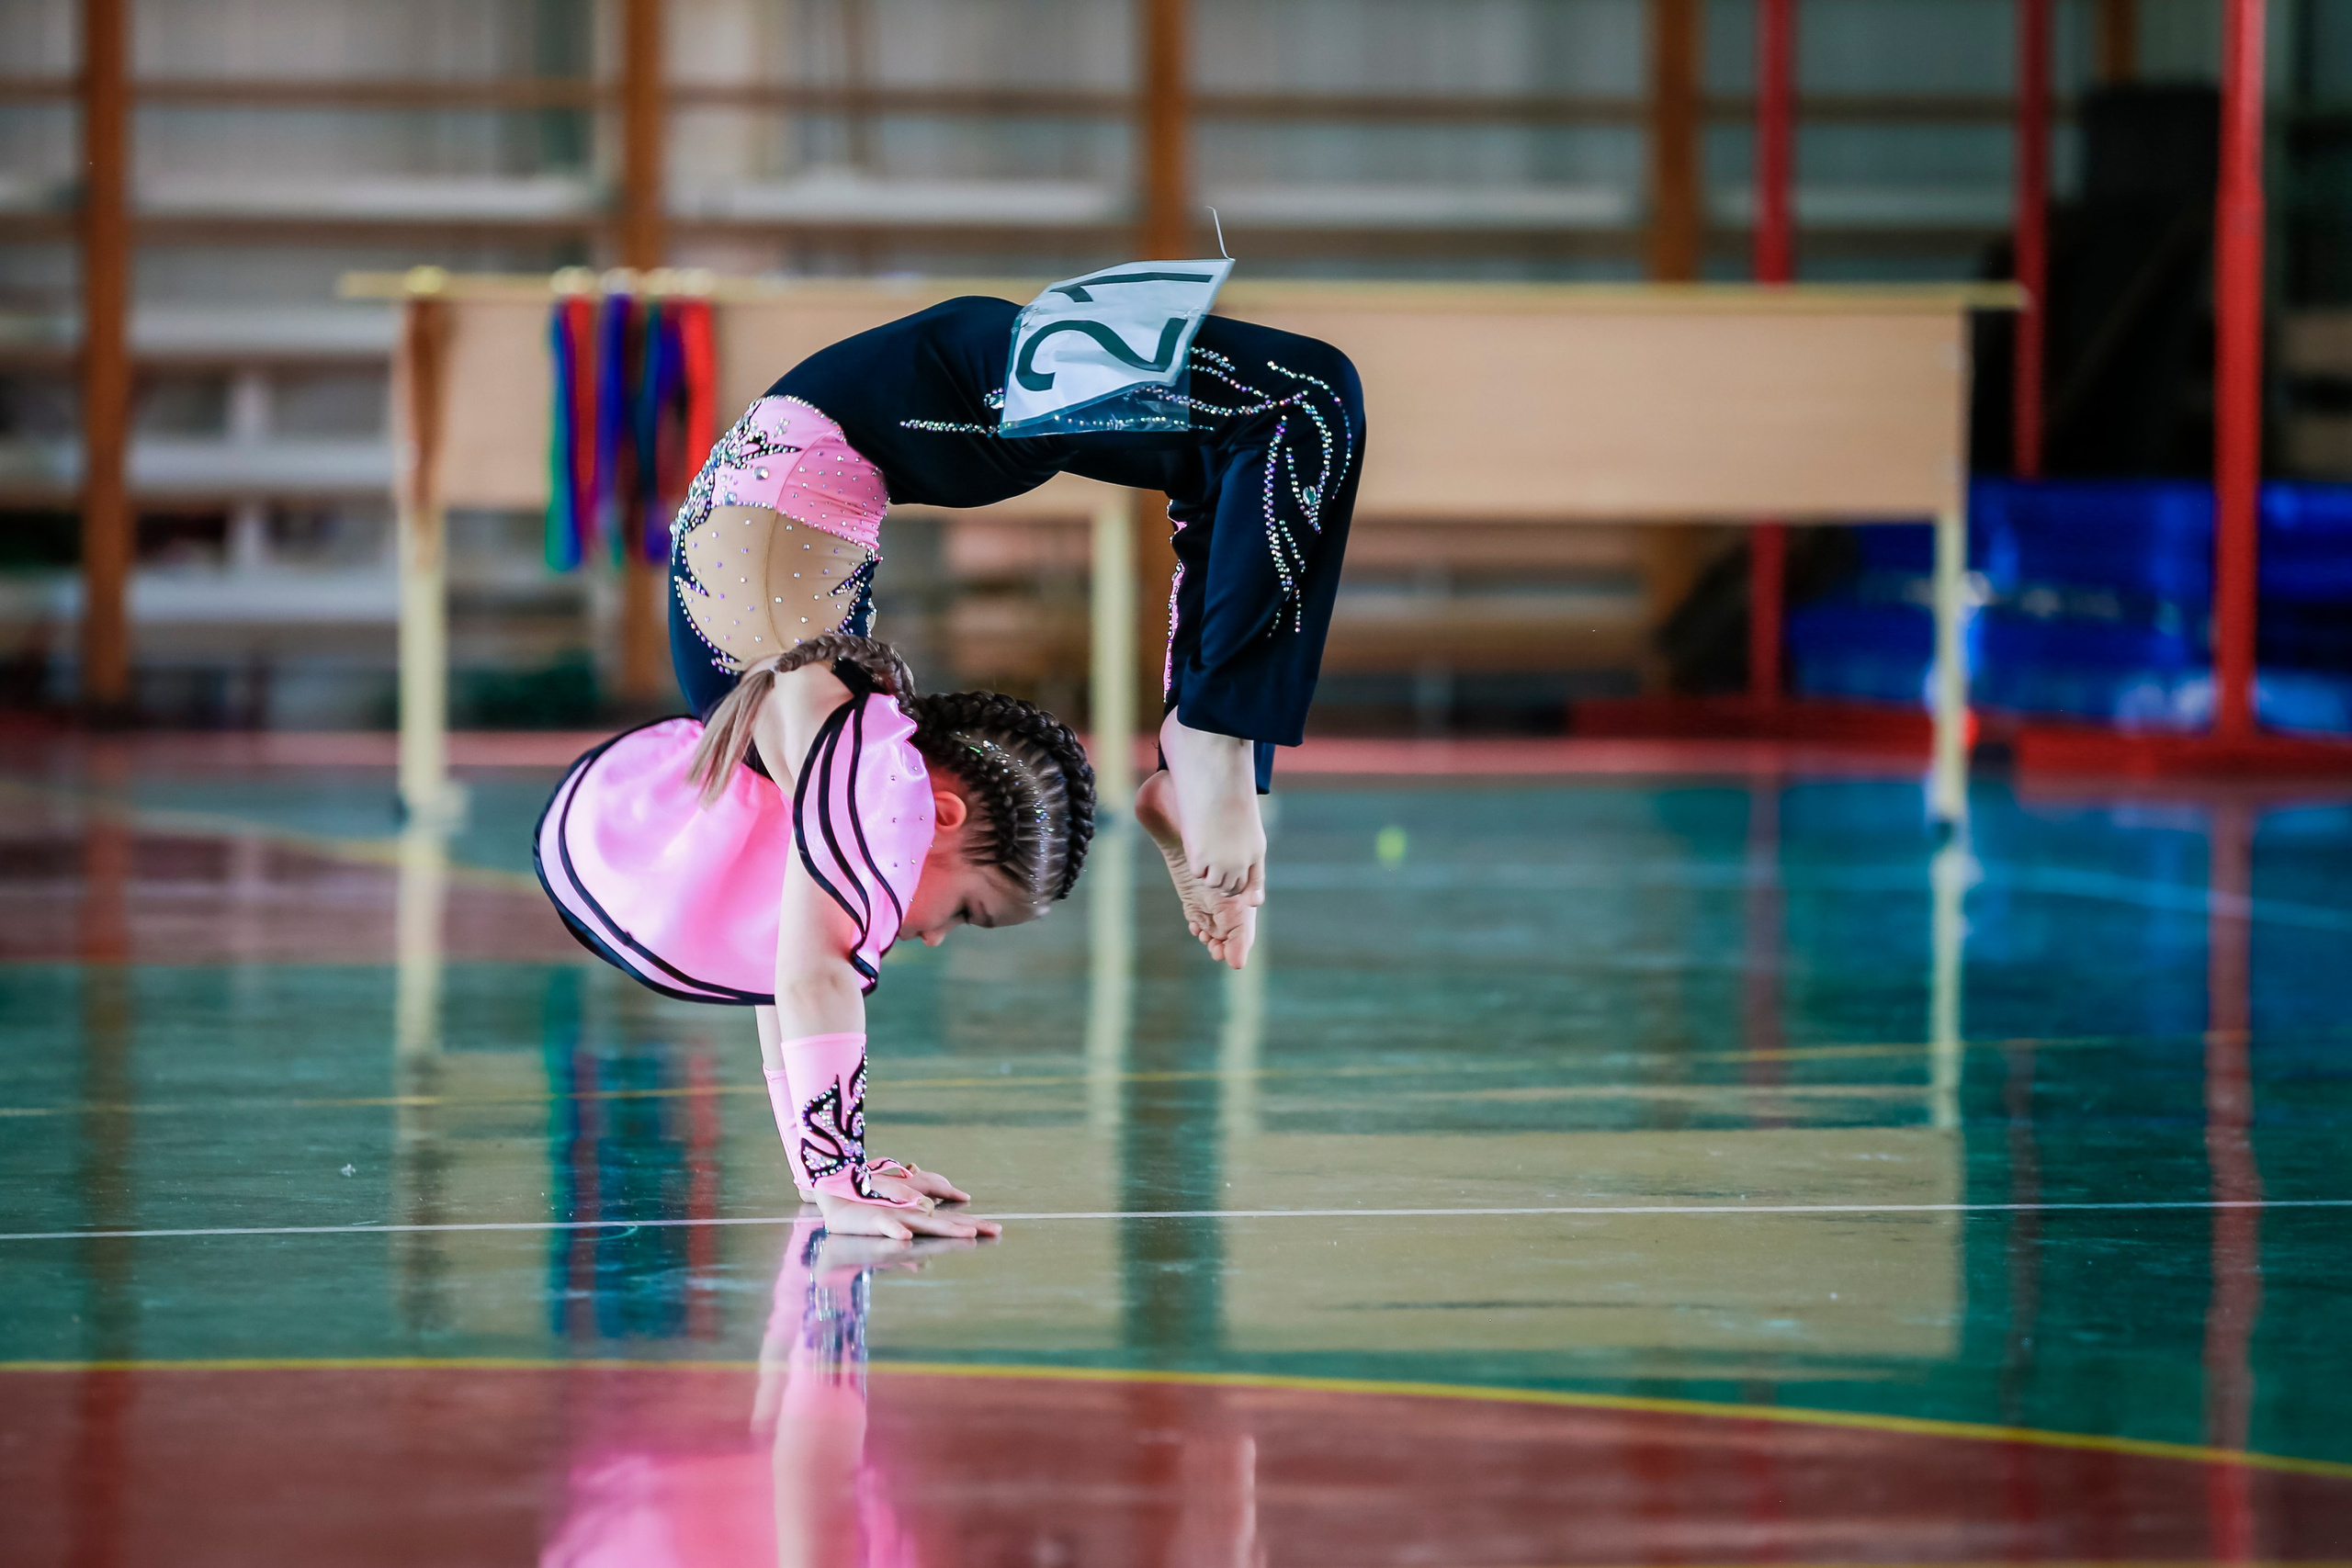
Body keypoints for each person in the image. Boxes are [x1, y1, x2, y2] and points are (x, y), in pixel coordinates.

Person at [667, 292, 1364, 968]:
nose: (939, 937)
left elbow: (804, 973)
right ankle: (1207, 730)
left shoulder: (819, 761)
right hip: (894, 405)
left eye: (969, 910)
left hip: (911, 399)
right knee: (1258, 436)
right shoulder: (811, 758)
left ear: (950, 814)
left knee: (1304, 403)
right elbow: (785, 970)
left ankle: (1213, 731)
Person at [536, 631, 1088, 1239]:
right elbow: (816, 978)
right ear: (944, 813)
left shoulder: (849, 763)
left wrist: (823, 1168)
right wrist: (840, 1182)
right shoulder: (885, 787)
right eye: (964, 910)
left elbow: (783, 974)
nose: (935, 937)